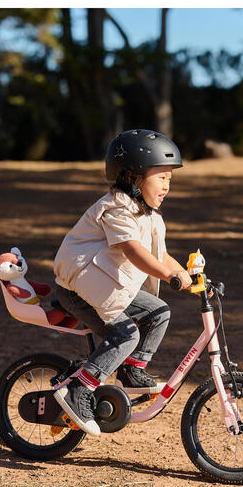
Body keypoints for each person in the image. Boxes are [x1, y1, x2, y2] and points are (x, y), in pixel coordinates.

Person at [52, 129, 193, 435]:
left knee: (159, 312)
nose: (167, 186)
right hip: (78, 289)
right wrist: (168, 276)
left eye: (170, 178)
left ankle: (131, 371)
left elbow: (161, 255)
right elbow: (132, 250)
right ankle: (77, 390)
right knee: (126, 336)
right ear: (132, 177)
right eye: (161, 177)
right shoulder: (115, 209)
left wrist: (190, 276)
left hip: (106, 288)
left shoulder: (150, 215)